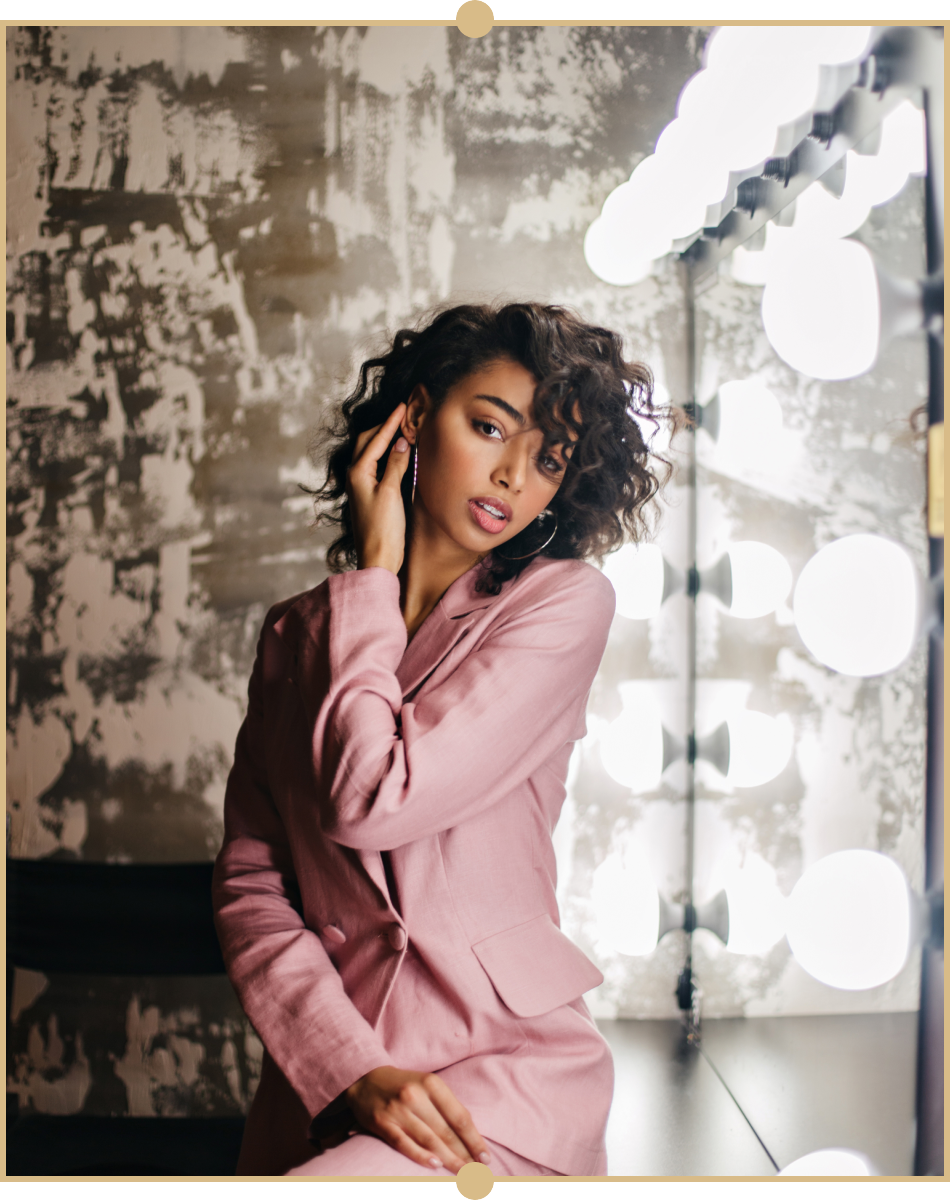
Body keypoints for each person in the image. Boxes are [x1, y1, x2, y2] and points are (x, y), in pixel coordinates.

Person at [211, 302, 672, 1176]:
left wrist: (373, 582)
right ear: (415, 418)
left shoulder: (561, 605)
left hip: (503, 1078)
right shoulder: (297, 635)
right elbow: (250, 883)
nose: (510, 476)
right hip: (334, 1084)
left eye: (548, 459)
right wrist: (350, 1067)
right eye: (489, 426)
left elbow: (376, 799)